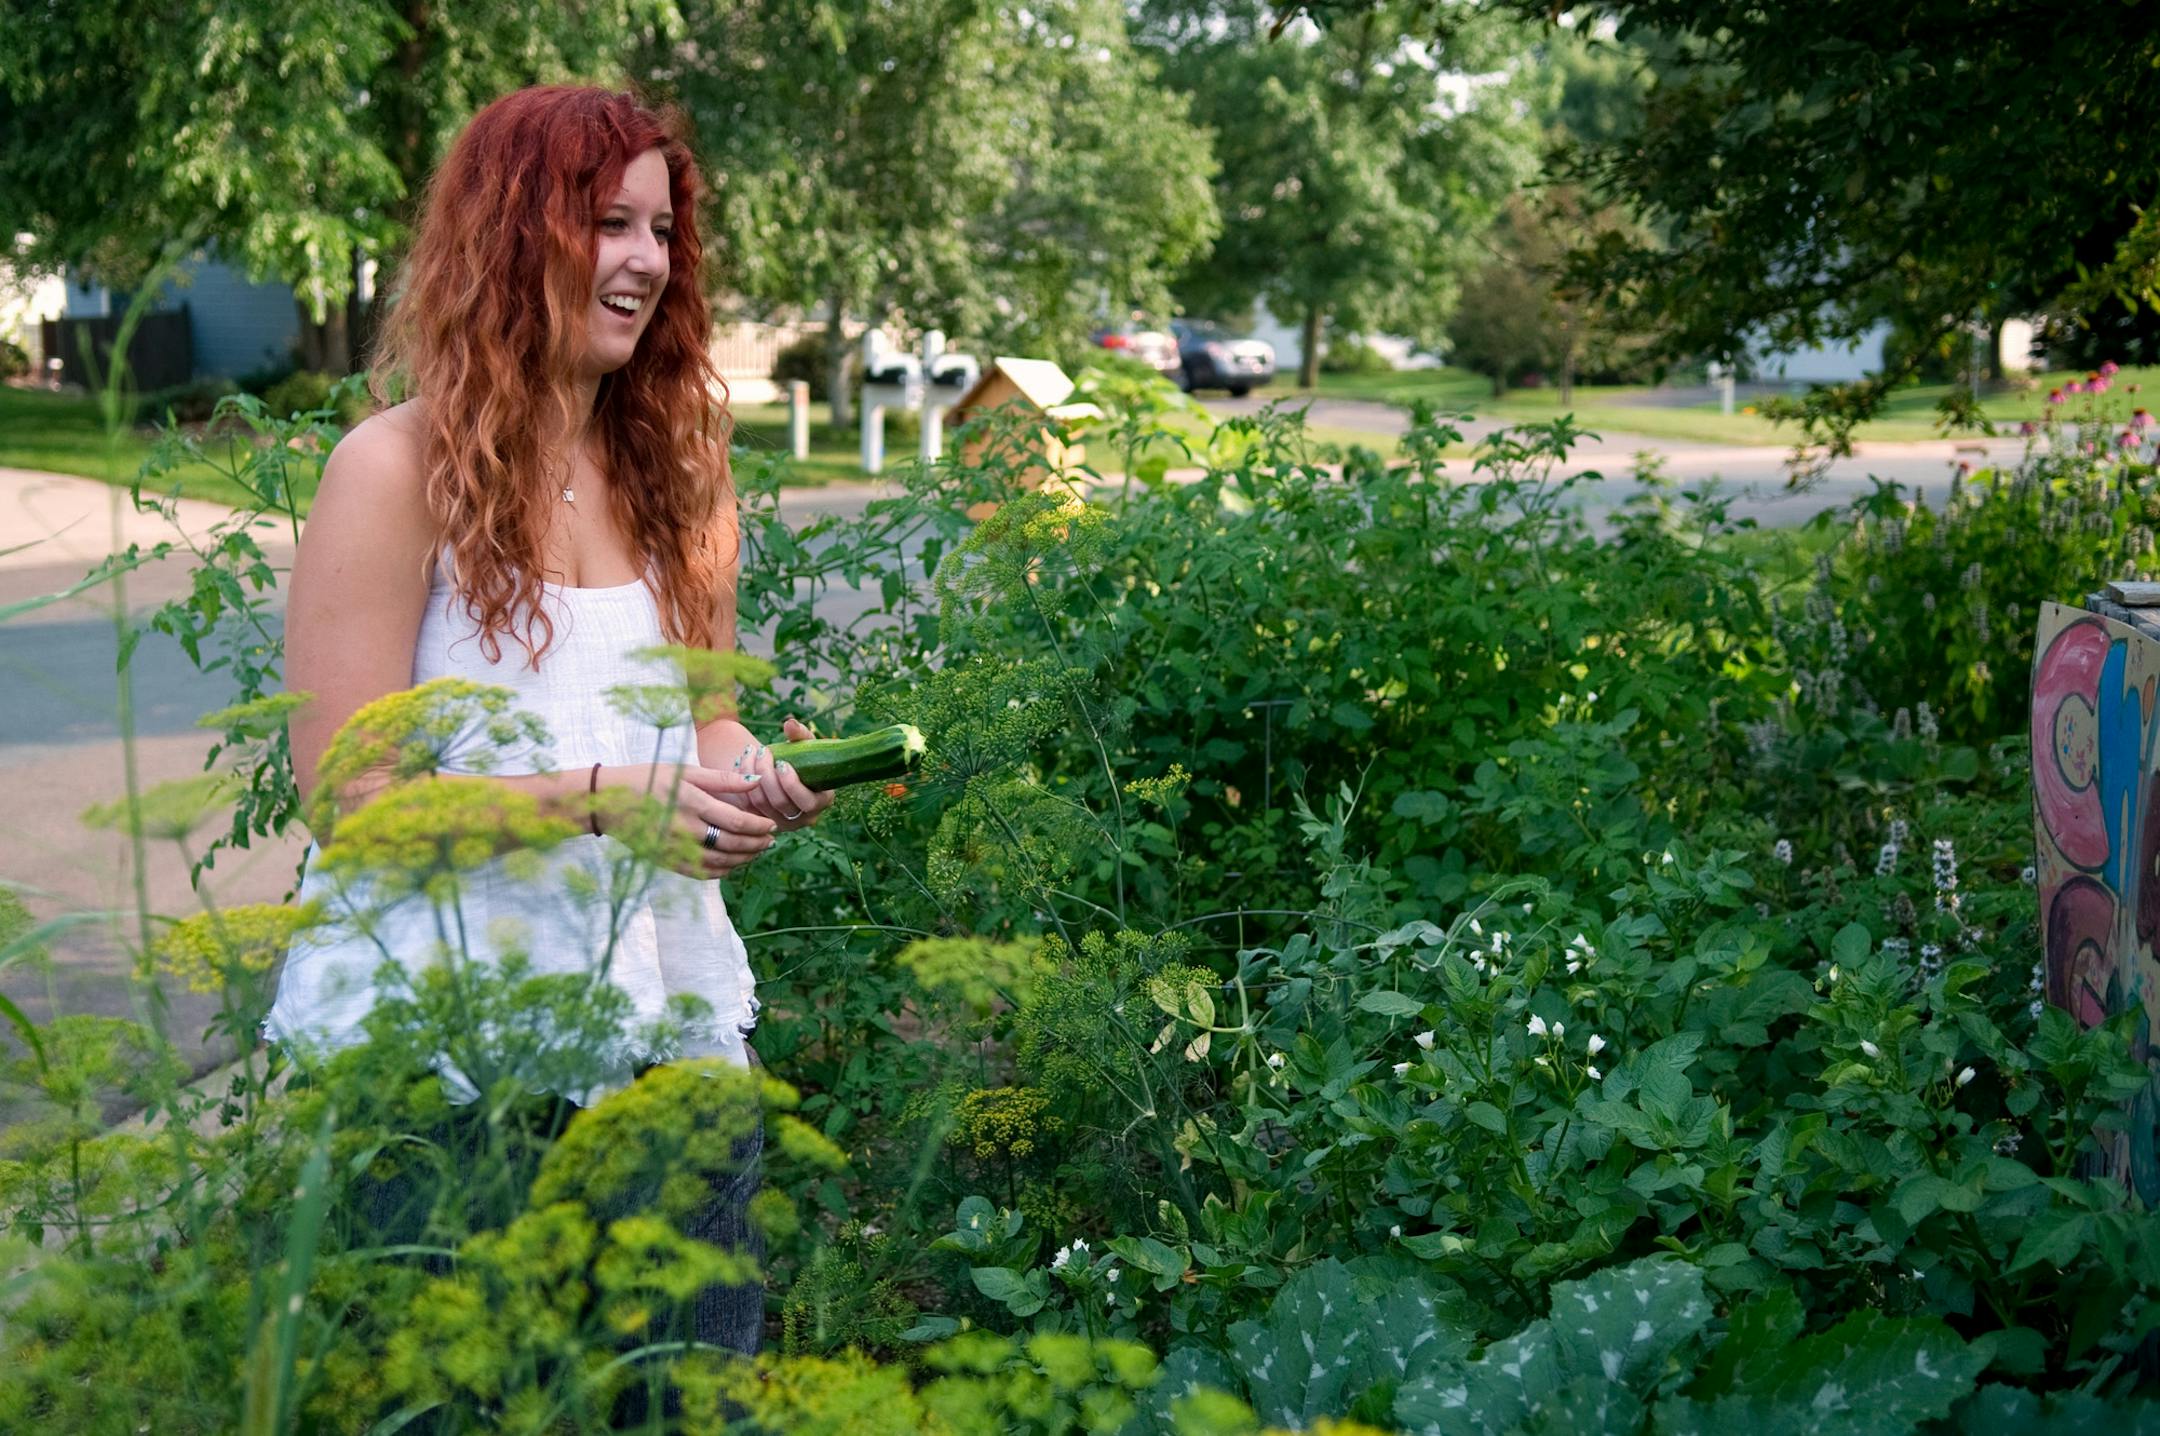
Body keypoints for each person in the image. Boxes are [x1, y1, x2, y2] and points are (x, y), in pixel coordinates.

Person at [265, 85, 832, 1355]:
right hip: (452, 1061)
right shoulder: (393, 471)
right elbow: (352, 809)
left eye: (663, 229)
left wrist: (756, 787)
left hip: (665, 1022)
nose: (645, 258)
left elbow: (713, 727)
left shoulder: (681, 470)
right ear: (515, 234)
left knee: (685, 1389)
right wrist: (595, 799)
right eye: (608, 222)